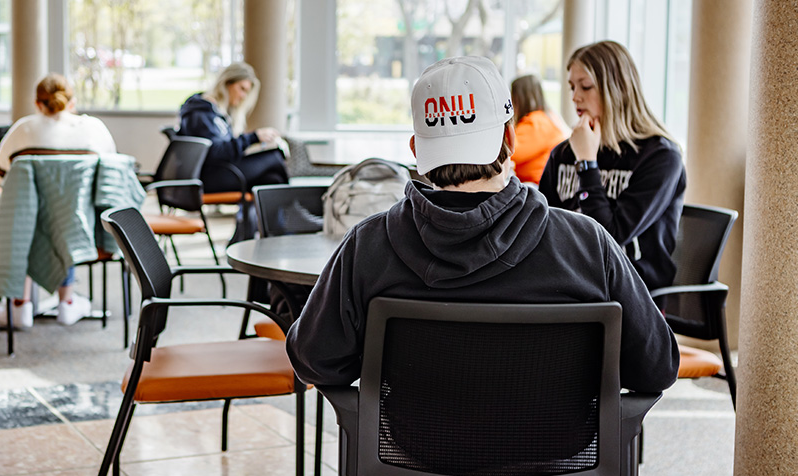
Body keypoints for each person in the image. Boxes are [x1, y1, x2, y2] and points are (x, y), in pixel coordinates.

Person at [286, 55, 678, 396]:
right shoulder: (586, 243)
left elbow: (315, 361)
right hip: (556, 459)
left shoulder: (367, 245)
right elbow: (657, 366)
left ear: (416, 150)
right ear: (510, 137)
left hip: (416, 456)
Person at [538, 40, 686, 291]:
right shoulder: (563, 153)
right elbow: (540, 226)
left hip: (630, 292)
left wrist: (587, 163)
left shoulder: (660, 158)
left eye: (586, 86)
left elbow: (607, 240)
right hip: (569, 282)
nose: (575, 97)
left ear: (616, 89)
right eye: (572, 87)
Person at [0, 73, 117, 327]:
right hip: (80, 224)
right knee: (61, 216)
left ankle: (20, 305)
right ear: (72, 102)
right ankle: (67, 302)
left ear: (38, 104)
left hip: (25, 224)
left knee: (24, 215)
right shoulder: (94, 129)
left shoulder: (23, 128)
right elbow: (111, 171)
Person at [177, 62, 288, 193]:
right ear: (227, 83)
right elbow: (215, 152)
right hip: (206, 178)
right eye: (242, 89)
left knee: (272, 178)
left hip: (223, 171)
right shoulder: (201, 113)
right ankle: (297, 207)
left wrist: (253, 146)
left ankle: (283, 211)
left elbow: (225, 148)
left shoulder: (218, 112)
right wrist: (254, 137)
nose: (243, 96)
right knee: (275, 157)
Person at [509, 74, 566, 184]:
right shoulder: (546, 117)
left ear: (519, 99)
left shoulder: (536, 123)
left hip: (536, 185)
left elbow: (510, 151)